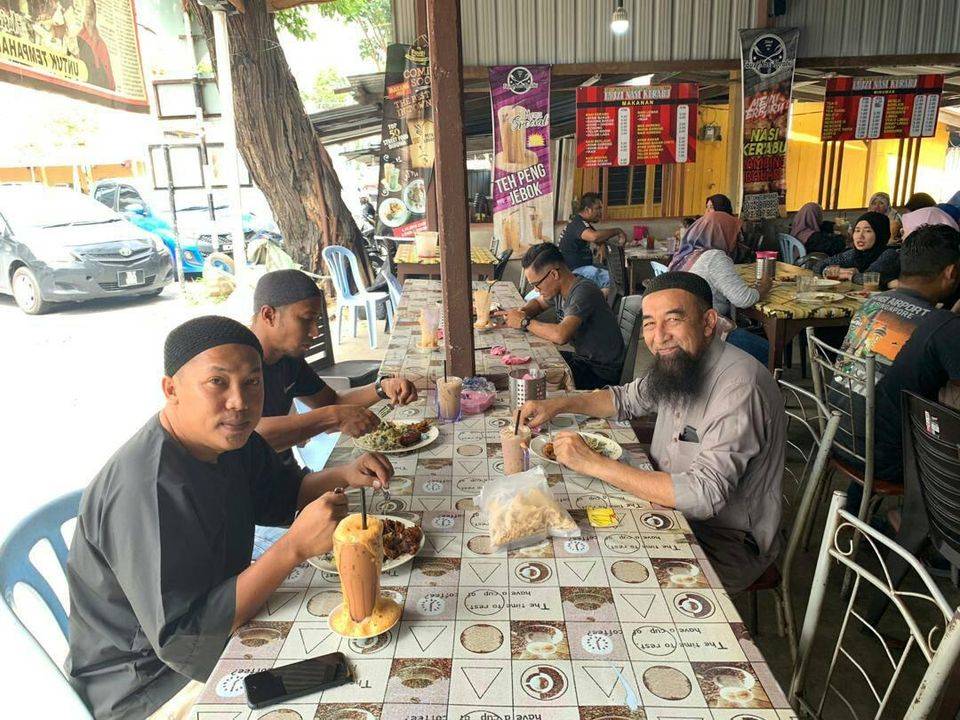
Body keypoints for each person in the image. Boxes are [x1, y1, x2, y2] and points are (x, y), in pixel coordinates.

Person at [65, 316, 394, 720]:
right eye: (217, 382)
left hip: (227, 621)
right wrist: (292, 547)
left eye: (252, 383)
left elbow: (280, 493)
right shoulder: (147, 488)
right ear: (171, 389)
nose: (239, 402)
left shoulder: (231, 440)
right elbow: (185, 637)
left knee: (369, 657)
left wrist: (344, 474)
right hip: (151, 684)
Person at [520, 272, 785, 592]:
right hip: (669, 511)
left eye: (673, 320)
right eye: (648, 323)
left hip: (724, 542)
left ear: (708, 322)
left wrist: (592, 462)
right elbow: (624, 399)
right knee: (565, 533)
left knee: (604, 578)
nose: (659, 336)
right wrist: (558, 405)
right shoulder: (681, 362)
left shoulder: (739, 387)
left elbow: (704, 495)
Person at [250, 269, 418, 459]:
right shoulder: (237, 364)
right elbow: (247, 434)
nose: (315, 332)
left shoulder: (289, 359)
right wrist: (332, 417)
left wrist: (382, 388)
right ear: (269, 315)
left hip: (282, 472)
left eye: (316, 321)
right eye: (306, 319)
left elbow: (331, 401)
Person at [859, 225, 960, 484]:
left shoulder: (872, 302)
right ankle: (908, 520)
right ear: (951, 272)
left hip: (839, 433)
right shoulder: (941, 324)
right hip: (890, 458)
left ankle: (859, 512)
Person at [496, 243, 625, 390]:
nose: (536, 290)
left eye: (537, 284)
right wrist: (521, 312)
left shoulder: (583, 292)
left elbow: (561, 335)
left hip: (600, 373)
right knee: (528, 362)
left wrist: (524, 322)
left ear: (554, 274)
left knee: (529, 380)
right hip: (583, 360)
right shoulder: (559, 289)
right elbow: (538, 303)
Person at [667, 212, 772, 364]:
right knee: (768, 351)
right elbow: (743, 299)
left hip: (681, 329)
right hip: (706, 334)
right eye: (735, 234)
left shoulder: (686, 254)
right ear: (722, 233)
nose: (738, 239)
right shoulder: (714, 257)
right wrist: (763, 287)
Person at [557, 192, 626, 290]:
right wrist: (617, 230)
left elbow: (598, 238)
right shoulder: (578, 224)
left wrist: (601, 245)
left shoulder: (582, 223)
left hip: (581, 268)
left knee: (615, 272)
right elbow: (594, 237)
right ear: (587, 210)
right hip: (575, 272)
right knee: (617, 279)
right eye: (598, 208)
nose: (600, 212)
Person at [814, 211, 899, 288]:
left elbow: (869, 279)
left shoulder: (889, 254)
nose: (860, 236)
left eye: (868, 231)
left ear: (880, 234)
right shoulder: (854, 253)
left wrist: (848, 275)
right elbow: (818, 265)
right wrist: (829, 270)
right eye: (857, 230)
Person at [76, 0, 114, 91]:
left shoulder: (101, 44)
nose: (88, 15)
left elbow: (110, 83)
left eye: (91, 12)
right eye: (87, 12)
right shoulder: (76, 39)